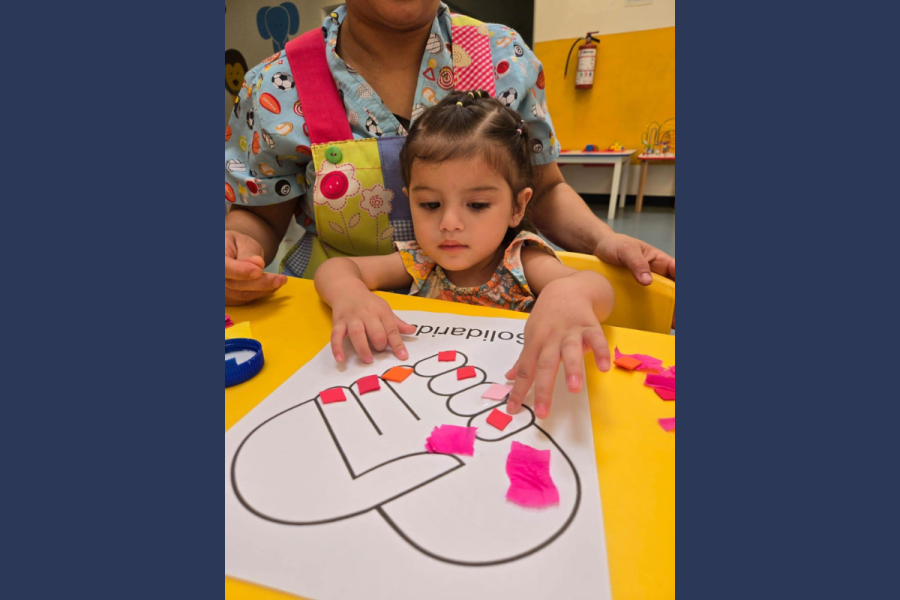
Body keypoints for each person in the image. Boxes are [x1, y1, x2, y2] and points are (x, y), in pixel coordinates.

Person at [315, 92, 615, 420]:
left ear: (517, 206)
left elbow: (595, 286)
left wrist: (567, 293)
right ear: (410, 200)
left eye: (476, 205)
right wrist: (349, 294)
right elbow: (338, 268)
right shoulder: (420, 260)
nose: (449, 224)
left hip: (507, 406)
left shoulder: (520, 261)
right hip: (426, 404)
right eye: (430, 205)